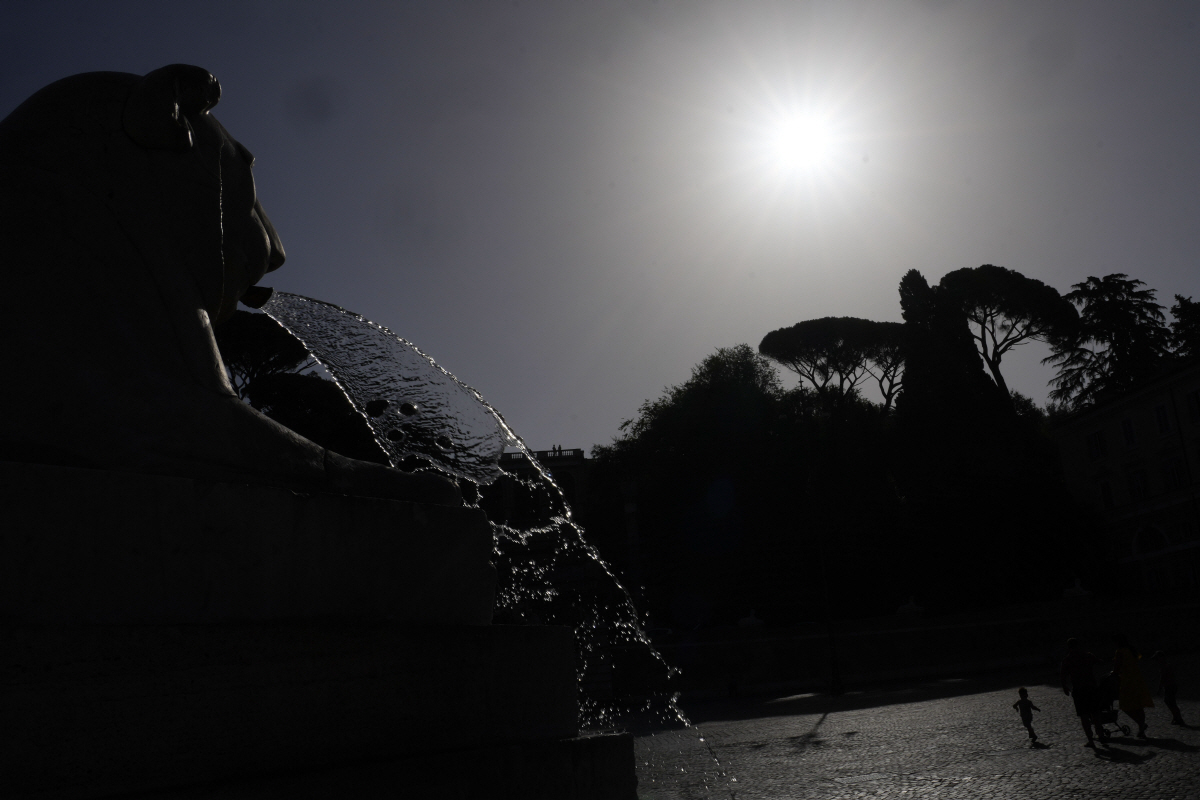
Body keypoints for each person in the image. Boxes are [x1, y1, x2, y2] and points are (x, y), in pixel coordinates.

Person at [1061, 637, 1101, 746]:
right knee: (1095, 713)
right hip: (1091, 687)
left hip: (1079, 689)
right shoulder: (1087, 655)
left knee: (1083, 715)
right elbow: (1099, 662)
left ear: (1069, 647)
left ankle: (1090, 739)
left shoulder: (1068, 659)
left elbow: (1063, 675)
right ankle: (1100, 735)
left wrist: (1065, 687)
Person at [1113, 634, 1154, 738]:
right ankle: (1141, 729)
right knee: (1139, 705)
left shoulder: (1120, 652)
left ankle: (1141, 724)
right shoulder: (1131, 650)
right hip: (1137, 679)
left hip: (1127, 681)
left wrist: (1114, 675)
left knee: (1125, 706)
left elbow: (1117, 668)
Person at [1150, 651, 1185, 726]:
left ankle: (1178, 718)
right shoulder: (1166, 665)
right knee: (1170, 702)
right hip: (1171, 686)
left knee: (1170, 703)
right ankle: (1176, 717)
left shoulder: (1164, 666)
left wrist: (1159, 689)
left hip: (1170, 686)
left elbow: (1162, 678)